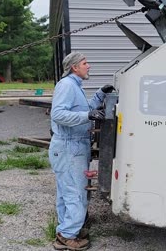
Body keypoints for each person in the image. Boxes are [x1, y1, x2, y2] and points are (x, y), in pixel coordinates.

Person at [48, 51, 114, 250]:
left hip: (72, 146)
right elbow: (58, 114)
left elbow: (83, 109)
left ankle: (68, 228)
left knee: (66, 192)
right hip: (69, 146)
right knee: (76, 193)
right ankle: (67, 236)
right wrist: (88, 115)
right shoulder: (67, 85)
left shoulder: (75, 86)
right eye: (85, 63)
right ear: (75, 67)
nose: (89, 66)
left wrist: (100, 94)